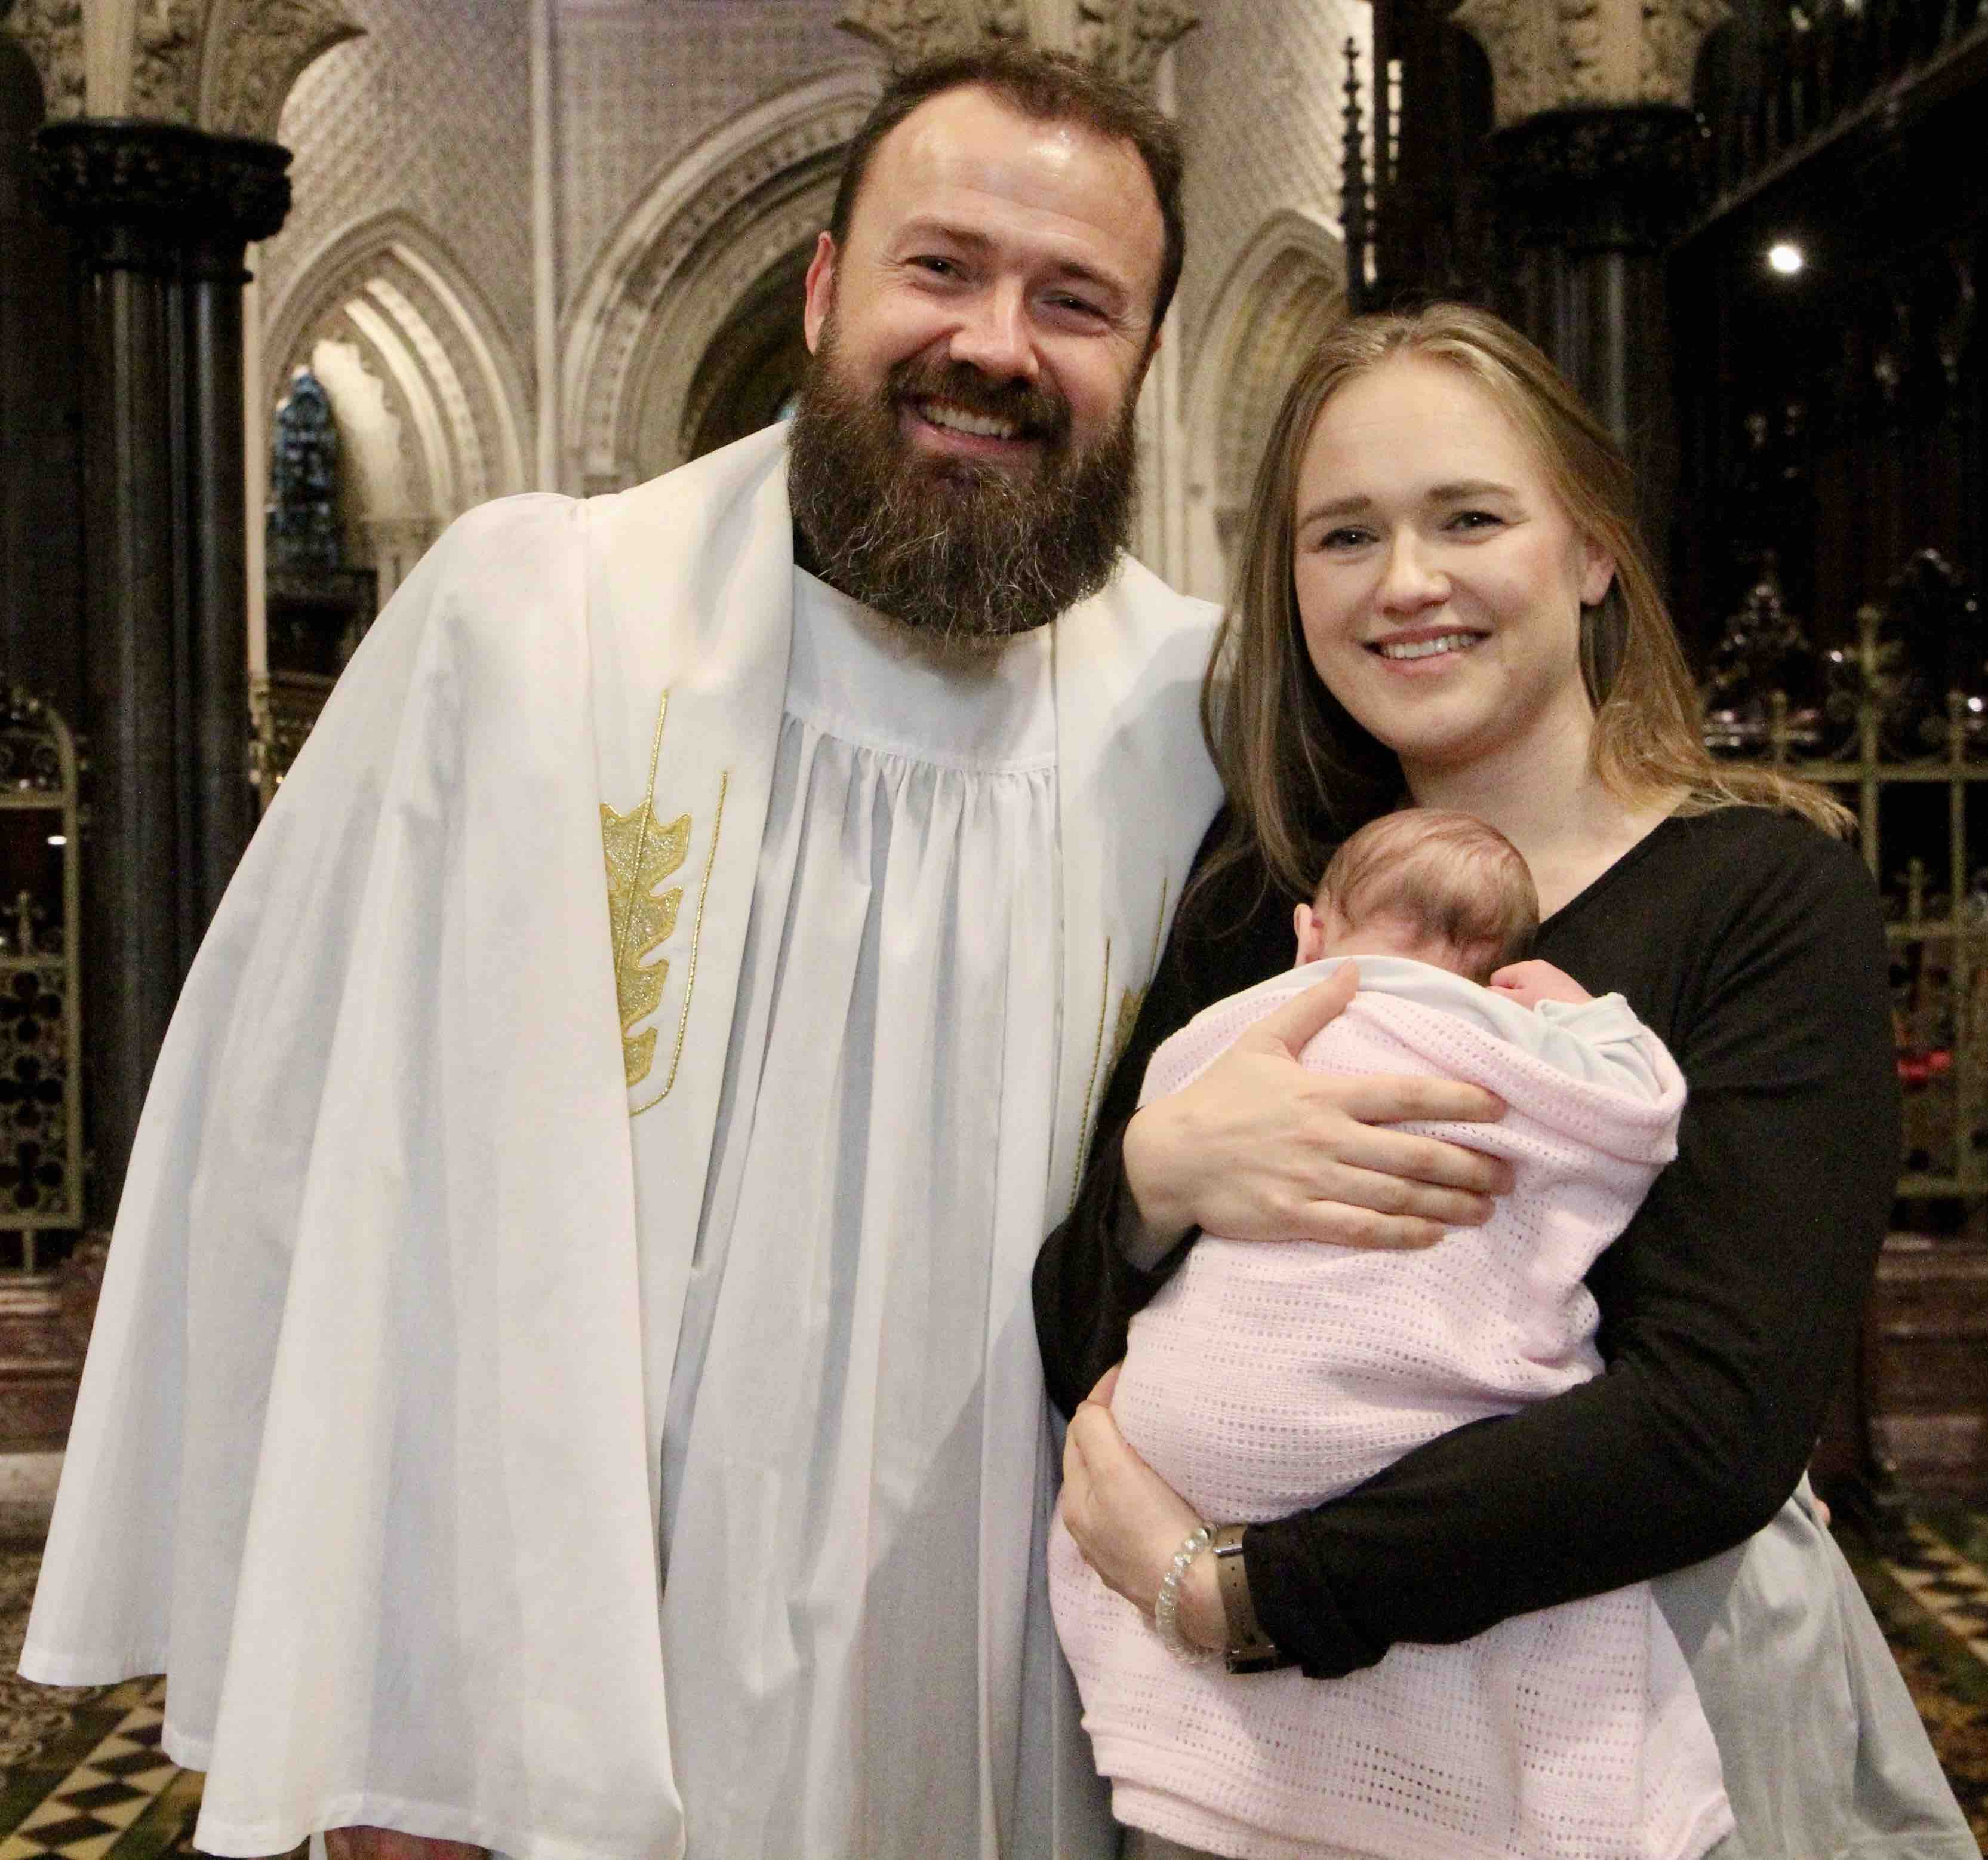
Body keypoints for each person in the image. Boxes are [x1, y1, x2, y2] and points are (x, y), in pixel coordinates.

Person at [20, 47, 1513, 1860]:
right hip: (583, 1661)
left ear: (1144, 359)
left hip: (1025, 1664)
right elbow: (326, 1184)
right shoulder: (528, 626)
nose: (995, 346)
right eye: (940, 267)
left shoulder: (1202, 724)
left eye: (1076, 303)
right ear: (825, 288)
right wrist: (393, 1723)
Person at [1036, 303, 1977, 1859]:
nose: (1404, 583)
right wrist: (1158, 1181)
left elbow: (1711, 1425)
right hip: (1266, 1765)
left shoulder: (1758, 890)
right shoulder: (1262, 897)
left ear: (1592, 549)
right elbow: (1077, 1314)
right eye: (1342, 535)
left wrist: (1254, 1592)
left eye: (1466, 516)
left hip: (1629, 1722)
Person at [1050, 806, 1730, 1860]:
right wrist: (1584, 1018)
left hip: (1200, 1434)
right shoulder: (1523, 1049)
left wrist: (1160, 1165)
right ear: (1504, 965)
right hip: (1438, 1442)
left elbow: (1165, 1108)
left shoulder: (1259, 1019)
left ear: (1308, 934)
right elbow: (1639, 1118)